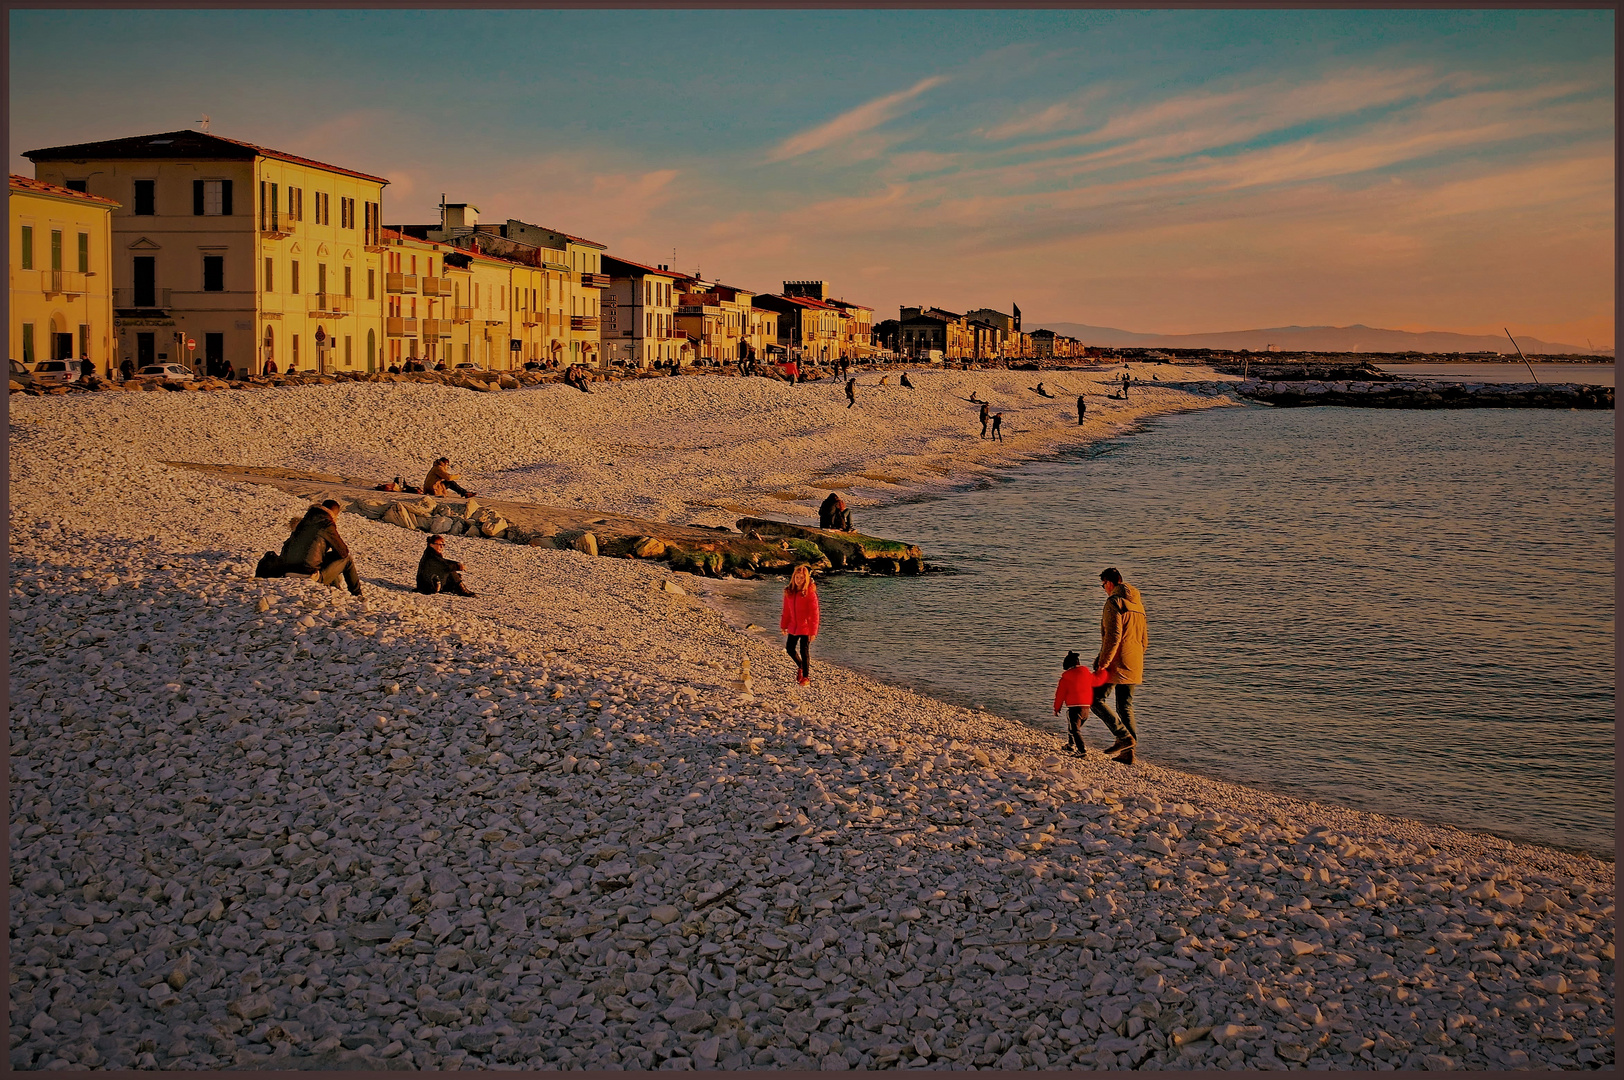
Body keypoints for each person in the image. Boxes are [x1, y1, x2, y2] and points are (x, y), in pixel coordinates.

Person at [1092, 567, 1148, 764]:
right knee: (1125, 705)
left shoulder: (1113, 602)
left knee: (1094, 699)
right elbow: (1144, 640)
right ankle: (1128, 753)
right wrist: (1136, 657)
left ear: (1109, 583)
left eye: (1103, 586)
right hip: (1135, 661)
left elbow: (1113, 637)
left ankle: (1123, 737)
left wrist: (1102, 663)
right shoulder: (1138, 605)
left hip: (1116, 661)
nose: (1104, 590)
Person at [257, 499, 363, 597]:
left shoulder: (304, 521)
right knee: (347, 559)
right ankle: (357, 595)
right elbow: (343, 552)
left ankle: (334, 588)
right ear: (334, 514)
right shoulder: (326, 524)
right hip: (309, 575)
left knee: (323, 557)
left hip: (287, 570)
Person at [1054, 651, 1111, 756]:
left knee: (1074, 729)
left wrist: (1057, 708)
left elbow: (1060, 695)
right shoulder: (1087, 675)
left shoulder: (1065, 679)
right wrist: (1103, 671)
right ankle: (1070, 745)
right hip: (1086, 709)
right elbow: (1098, 680)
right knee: (1074, 728)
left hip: (1074, 709)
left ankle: (1081, 750)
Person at [780, 564, 820, 685]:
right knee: (790, 649)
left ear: (806, 578)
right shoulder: (789, 593)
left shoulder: (810, 593)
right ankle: (801, 667)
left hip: (806, 628)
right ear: (793, 578)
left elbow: (815, 614)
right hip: (793, 626)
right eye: (797, 577)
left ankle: (806, 677)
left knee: (804, 651)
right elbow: (786, 611)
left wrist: (813, 632)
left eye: (801, 578)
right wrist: (784, 625)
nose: (799, 580)